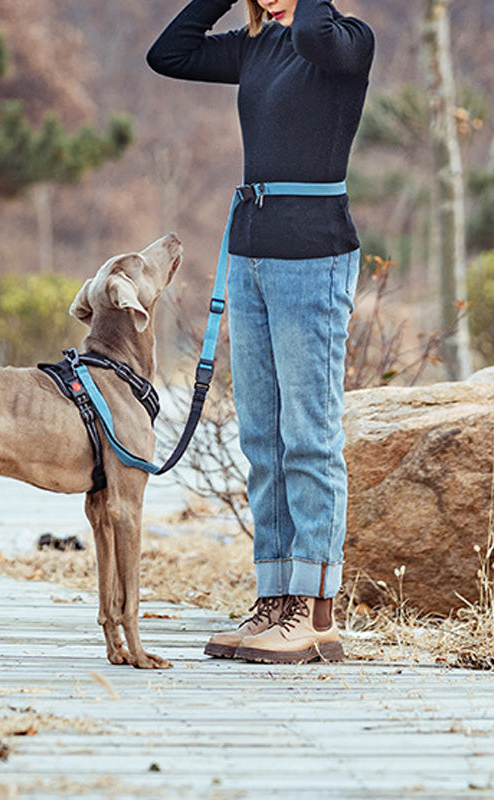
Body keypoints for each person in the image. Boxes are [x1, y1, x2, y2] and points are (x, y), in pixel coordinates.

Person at [146, 0, 374, 664]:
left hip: (314, 256)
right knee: (263, 438)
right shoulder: (258, 44)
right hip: (249, 254)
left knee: (308, 434)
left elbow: (313, 29)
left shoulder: (346, 42)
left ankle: (314, 612)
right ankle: (274, 600)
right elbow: (169, 55)